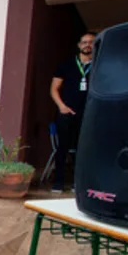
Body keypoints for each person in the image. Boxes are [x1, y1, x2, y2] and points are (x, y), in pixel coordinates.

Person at [50, 32, 95, 193]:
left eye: (91, 42)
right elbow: (54, 89)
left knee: (82, 149)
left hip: (88, 114)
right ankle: (58, 183)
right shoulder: (66, 64)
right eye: (84, 42)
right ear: (79, 45)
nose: (87, 45)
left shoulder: (98, 65)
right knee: (62, 147)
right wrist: (61, 106)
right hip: (66, 112)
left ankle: (78, 183)